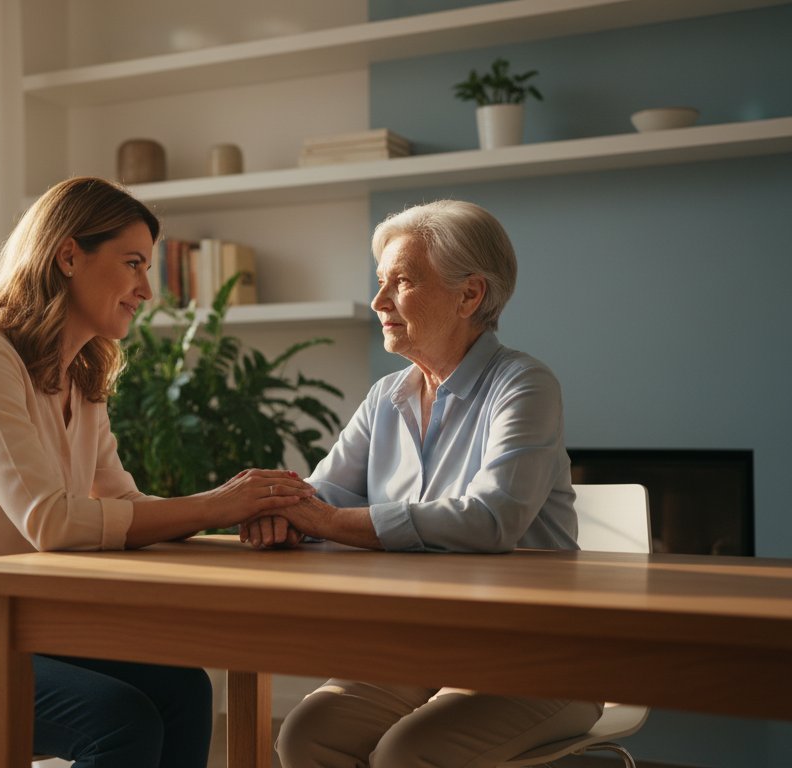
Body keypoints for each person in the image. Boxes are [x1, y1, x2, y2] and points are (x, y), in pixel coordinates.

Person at [0, 176, 314, 768]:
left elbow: (125, 504)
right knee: (121, 720)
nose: (146, 290)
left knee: (184, 691)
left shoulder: (80, 376)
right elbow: (52, 522)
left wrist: (243, 512)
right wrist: (215, 503)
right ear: (67, 255)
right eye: (133, 263)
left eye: (148, 268)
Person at [242, 200, 603, 767]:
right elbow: (317, 498)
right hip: (422, 648)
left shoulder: (524, 385)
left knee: (406, 754)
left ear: (469, 295)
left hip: (539, 657)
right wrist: (282, 512)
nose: (379, 301)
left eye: (403, 282)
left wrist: (324, 520)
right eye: (380, 282)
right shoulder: (386, 396)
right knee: (305, 734)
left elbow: (491, 519)